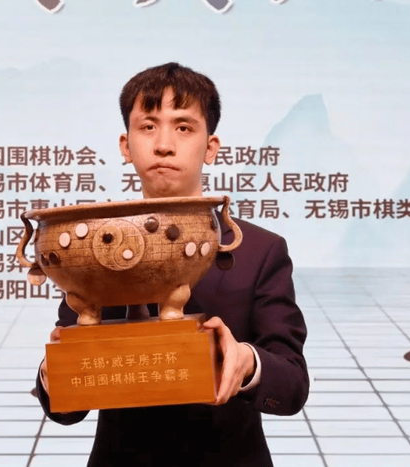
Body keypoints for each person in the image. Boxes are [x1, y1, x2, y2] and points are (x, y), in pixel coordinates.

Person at [35, 62, 309, 467]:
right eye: (148, 126)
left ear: (210, 147)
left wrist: (247, 362)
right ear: (126, 145)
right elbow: (66, 411)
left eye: (183, 127)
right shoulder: (91, 244)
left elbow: (293, 384)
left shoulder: (261, 250)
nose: (164, 144)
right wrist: (55, 369)